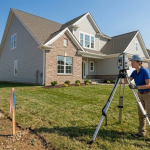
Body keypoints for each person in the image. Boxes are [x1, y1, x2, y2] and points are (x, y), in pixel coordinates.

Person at [127, 54, 150, 138]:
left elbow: (149, 85)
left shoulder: (145, 71)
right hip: (140, 94)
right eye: (131, 61)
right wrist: (123, 74)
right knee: (141, 114)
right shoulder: (134, 72)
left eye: (133, 61)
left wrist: (136, 87)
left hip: (148, 94)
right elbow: (127, 81)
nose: (131, 63)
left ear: (139, 62)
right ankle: (141, 133)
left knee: (149, 115)